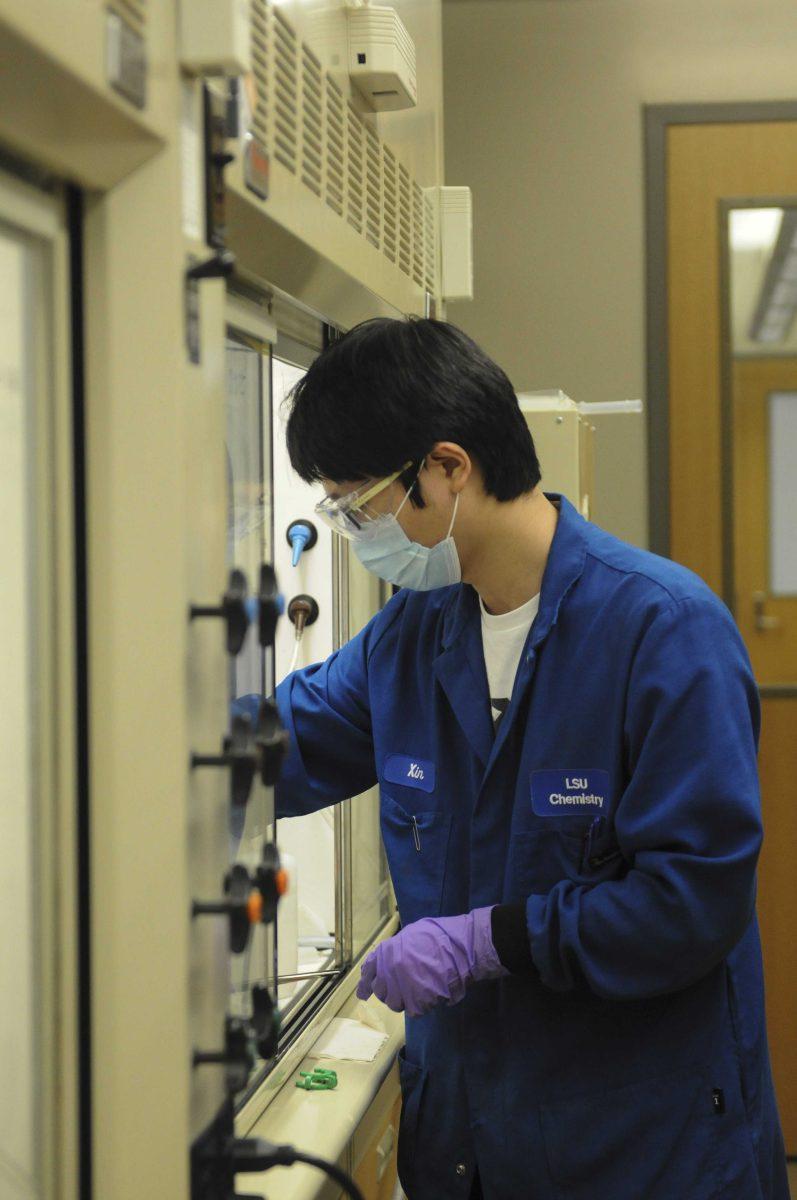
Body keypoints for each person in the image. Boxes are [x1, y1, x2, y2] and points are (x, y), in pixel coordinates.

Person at [271, 317, 788, 1200]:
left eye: (357, 507)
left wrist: (488, 940)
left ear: (445, 469)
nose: (358, 534)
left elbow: (690, 906)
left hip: (637, 1147)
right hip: (471, 1140)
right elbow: (292, 740)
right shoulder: (413, 635)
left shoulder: (661, 630)